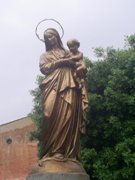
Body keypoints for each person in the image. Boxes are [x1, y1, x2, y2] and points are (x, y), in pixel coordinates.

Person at [39, 28, 88, 162]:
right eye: (46, 38)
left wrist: (82, 69)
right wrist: (61, 62)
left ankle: (61, 151)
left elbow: (79, 66)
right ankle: (49, 151)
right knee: (48, 114)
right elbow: (44, 68)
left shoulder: (68, 52)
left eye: (51, 36)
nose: (50, 40)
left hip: (69, 85)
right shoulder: (44, 55)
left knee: (68, 114)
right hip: (52, 85)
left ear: (57, 37)